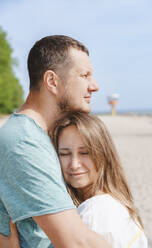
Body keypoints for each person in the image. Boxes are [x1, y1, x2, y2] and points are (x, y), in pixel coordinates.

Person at [0, 35, 113, 248]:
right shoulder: (23, 142)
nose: (94, 86)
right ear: (52, 81)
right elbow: (77, 243)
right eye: (85, 75)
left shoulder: (39, 136)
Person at [4, 111, 148, 247]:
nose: (74, 164)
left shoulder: (93, 213)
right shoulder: (117, 205)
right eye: (64, 154)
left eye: (84, 152)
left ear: (104, 155)